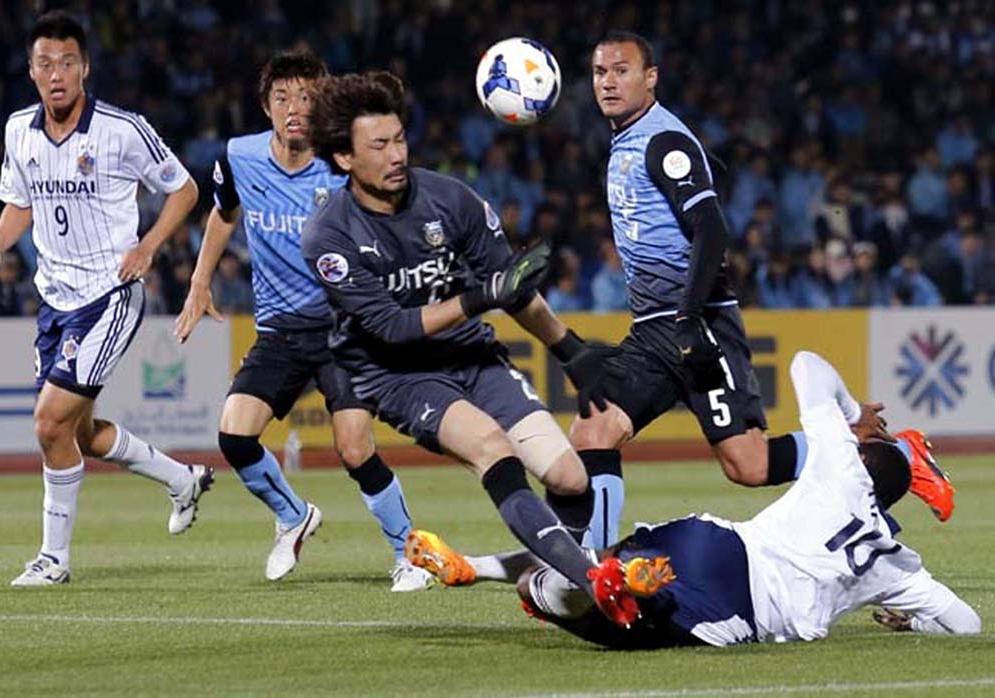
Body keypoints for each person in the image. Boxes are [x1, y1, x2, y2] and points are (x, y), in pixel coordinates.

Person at [563, 30, 951, 550]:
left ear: (650, 77)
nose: (608, 82)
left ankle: (900, 456)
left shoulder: (663, 141)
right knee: (592, 432)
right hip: (654, 329)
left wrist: (688, 317)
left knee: (748, 465)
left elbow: (711, 226)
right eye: (599, 72)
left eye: (621, 70)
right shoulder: (628, 141)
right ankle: (590, 567)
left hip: (697, 324)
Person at [301, 71, 633, 626]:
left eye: (400, 139)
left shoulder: (450, 199)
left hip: (473, 358)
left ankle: (552, 578)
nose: (396, 154)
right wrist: (481, 298)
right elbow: (392, 327)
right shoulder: (329, 236)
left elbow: (513, 286)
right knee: (491, 448)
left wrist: (570, 351)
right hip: (398, 375)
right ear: (344, 159)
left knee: (571, 479)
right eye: (378, 146)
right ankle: (591, 581)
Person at [407, 352, 977, 649]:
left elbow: (807, 364)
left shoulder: (838, 465)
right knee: (603, 616)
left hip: (713, 541)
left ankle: (485, 568)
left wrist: (852, 416)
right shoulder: (897, 566)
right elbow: (967, 623)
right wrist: (916, 625)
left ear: (863, 460)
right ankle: (576, 590)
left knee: (596, 565)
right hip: (744, 608)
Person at [174, 51, 431, 591]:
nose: (295, 108)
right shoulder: (239, 157)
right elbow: (223, 213)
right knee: (234, 436)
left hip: (344, 330)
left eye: (307, 97)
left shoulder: (342, 163)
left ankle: (410, 555)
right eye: (283, 97)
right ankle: (293, 515)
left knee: (354, 447)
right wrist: (200, 282)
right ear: (265, 106)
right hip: (280, 330)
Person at [0, 12, 210, 586]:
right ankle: (183, 479)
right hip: (55, 302)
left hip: (111, 297)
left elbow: (186, 189)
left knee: (49, 423)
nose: (57, 74)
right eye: (45, 63)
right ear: (31, 71)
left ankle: (54, 560)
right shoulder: (18, 131)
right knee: (77, 432)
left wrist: (150, 245)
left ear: (85, 69)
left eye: (67, 63)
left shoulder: (122, 129)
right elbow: (20, 203)